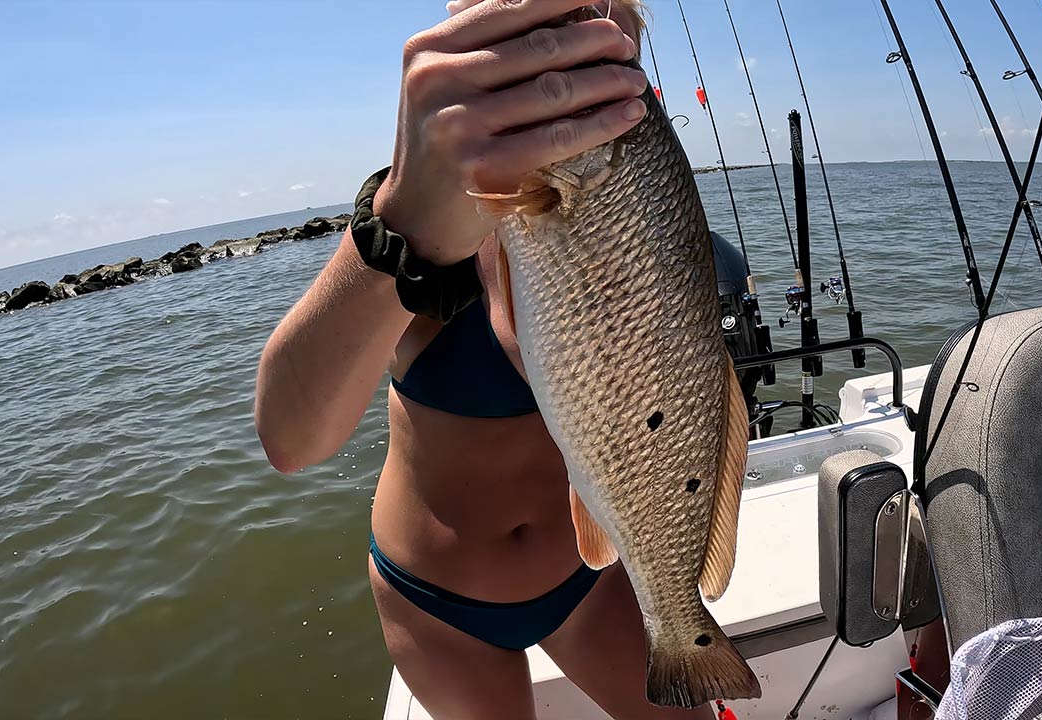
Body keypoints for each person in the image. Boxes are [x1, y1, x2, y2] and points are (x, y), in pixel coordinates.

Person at [255, 1, 715, 717]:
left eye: (597, 33)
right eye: (534, 38)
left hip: (586, 579)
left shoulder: (633, 230)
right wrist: (401, 225)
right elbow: (289, 440)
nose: (558, 55)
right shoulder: (417, 232)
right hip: (439, 607)